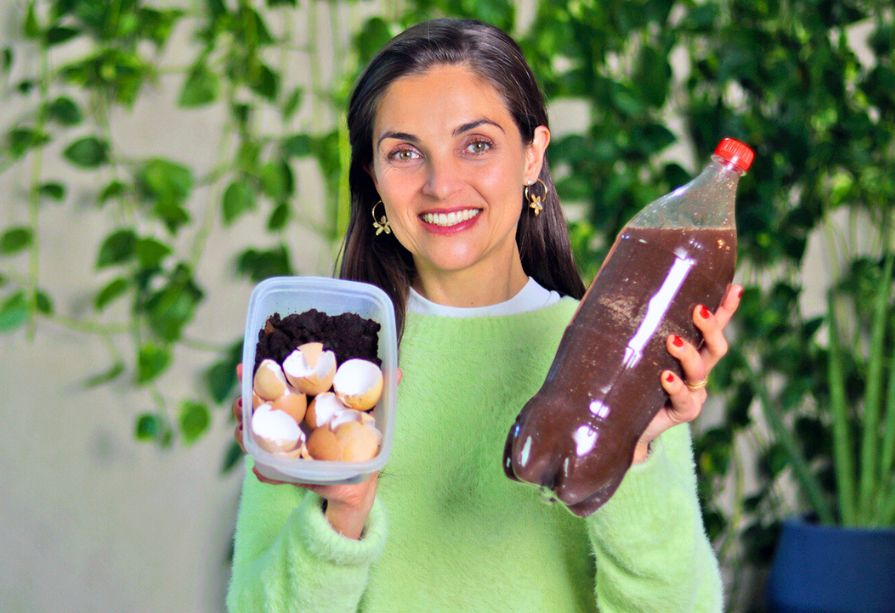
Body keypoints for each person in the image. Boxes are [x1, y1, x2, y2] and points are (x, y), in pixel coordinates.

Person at [227, 18, 741, 612]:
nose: (441, 185)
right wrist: (342, 512)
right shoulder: (320, 361)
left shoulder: (614, 350)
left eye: (476, 145)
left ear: (532, 155)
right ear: (374, 178)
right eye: (404, 153)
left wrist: (631, 452)